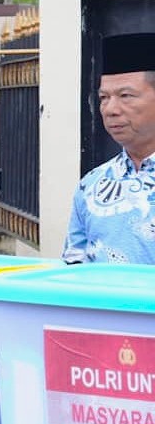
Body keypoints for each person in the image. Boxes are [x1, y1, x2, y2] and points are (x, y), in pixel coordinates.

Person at [64, 33, 155, 264]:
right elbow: (74, 265)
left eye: (125, 95)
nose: (110, 109)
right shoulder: (92, 185)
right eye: (104, 97)